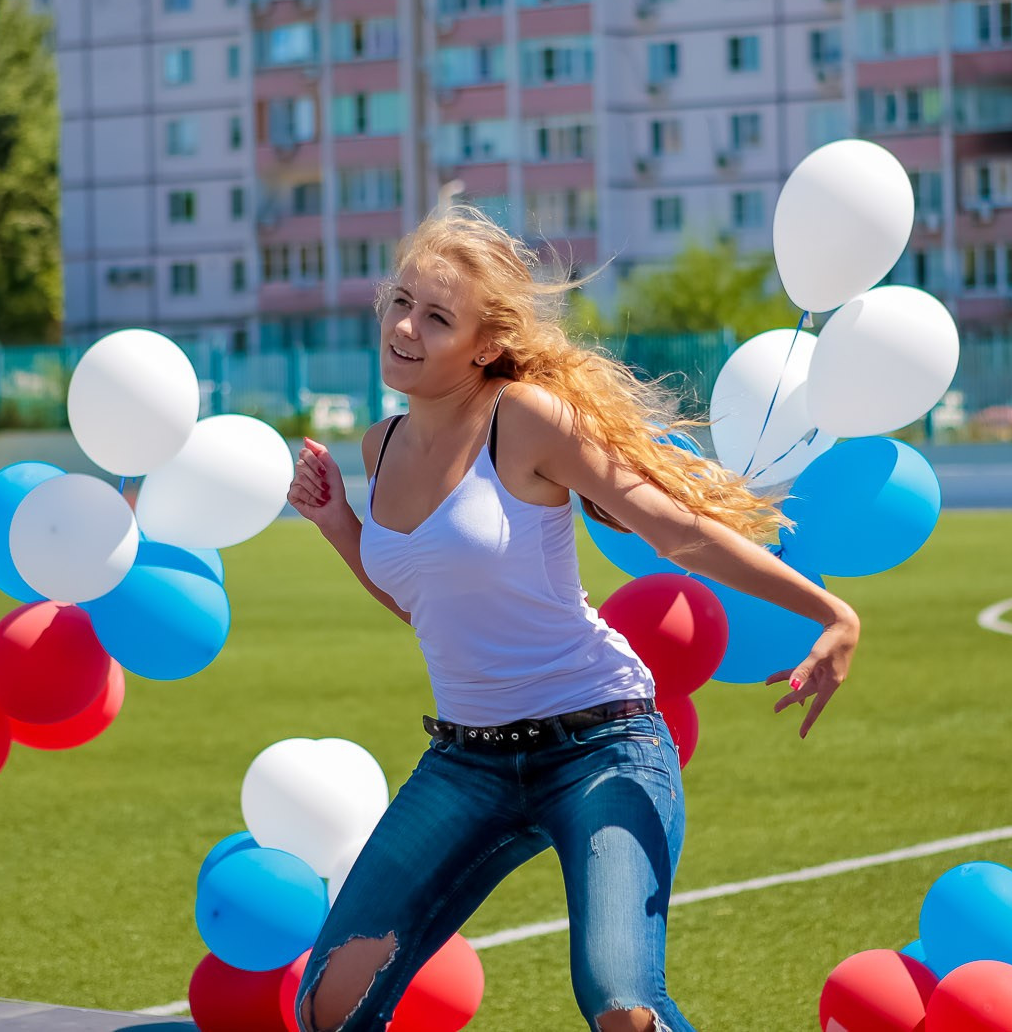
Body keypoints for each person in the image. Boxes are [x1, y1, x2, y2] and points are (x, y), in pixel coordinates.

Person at [283, 209, 860, 1032]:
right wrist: (339, 521)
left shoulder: (523, 418)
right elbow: (426, 603)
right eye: (401, 301)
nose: (405, 327)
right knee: (327, 1006)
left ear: (484, 344)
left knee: (621, 1003)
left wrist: (830, 611)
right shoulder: (381, 446)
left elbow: (677, 529)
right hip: (466, 762)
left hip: (600, 746)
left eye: (437, 316)